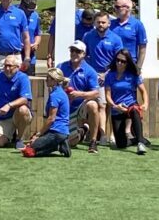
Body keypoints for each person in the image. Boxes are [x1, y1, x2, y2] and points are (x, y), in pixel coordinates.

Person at [83, 11, 123, 145]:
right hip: (95, 76)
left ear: (109, 23)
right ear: (94, 23)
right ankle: (103, 135)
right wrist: (94, 73)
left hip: (113, 75)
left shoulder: (116, 38)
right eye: (98, 22)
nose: (100, 24)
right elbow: (85, 56)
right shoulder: (88, 36)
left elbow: (120, 59)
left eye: (103, 22)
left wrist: (107, 73)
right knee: (102, 105)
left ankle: (113, 135)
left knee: (113, 105)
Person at [57, 40, 101, 153]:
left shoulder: (90, 71)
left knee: (93, 105)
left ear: (84, 54)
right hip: (65, 107)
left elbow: (96, 93)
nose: (74, 53)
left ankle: (93, 141)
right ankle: (83, 130)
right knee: (71, 143)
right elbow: (52, 86)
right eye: (72, 50)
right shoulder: (61, 67)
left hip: (81, 106)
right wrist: (62, 88)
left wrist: (78, 94)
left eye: (78, 51)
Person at [105, 49, 149, 154]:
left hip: (130, 105)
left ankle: (140, 143)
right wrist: (115, 106)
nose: (119, 63)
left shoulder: (133, 75)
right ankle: (138, 139)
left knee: (134, 110)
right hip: (117, 108)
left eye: (123, 61)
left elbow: (143, 91)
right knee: (121, 144)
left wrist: (145, 103)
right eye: (118, 60)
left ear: (127, 63)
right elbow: (107, 96)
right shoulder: (110, 76)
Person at [22, 68, 72, 158]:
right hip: (61, 131)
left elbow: (51, 119)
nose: (46, 79)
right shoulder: (60, 92)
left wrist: (38, 134)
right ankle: (58, 145)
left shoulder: (55, 95)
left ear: (55, 80)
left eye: (49, 77)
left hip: (56, 131)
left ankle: (59, 146)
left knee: (28, 151)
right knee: (32, 145)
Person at [0, 54, 33, 149]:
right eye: (5, 66)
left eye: (10, 66)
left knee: (23, 110)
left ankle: (19, 139)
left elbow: (25, 99)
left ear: (17, 67)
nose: (7, 68)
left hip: (18, 115)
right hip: (3, 117)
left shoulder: (23, 78)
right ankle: (9, 135)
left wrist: (9, 105)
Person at [110, 0, 148, 67]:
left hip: (130, 65)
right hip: (112, 65)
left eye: (118, 7)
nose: (115, 9)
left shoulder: (137, 24)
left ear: (127, 8)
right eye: (115, 7)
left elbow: (142, 49)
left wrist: (138, 68)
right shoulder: (110, 24)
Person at [18, 0, 41, 75]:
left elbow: (37, 34)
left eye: (33, 10)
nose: (31, 12)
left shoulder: (35, 15)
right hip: (16, 53)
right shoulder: (15, 12)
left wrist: (36, 43)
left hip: (30, 54)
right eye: (29, 10)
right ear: (22, 6)